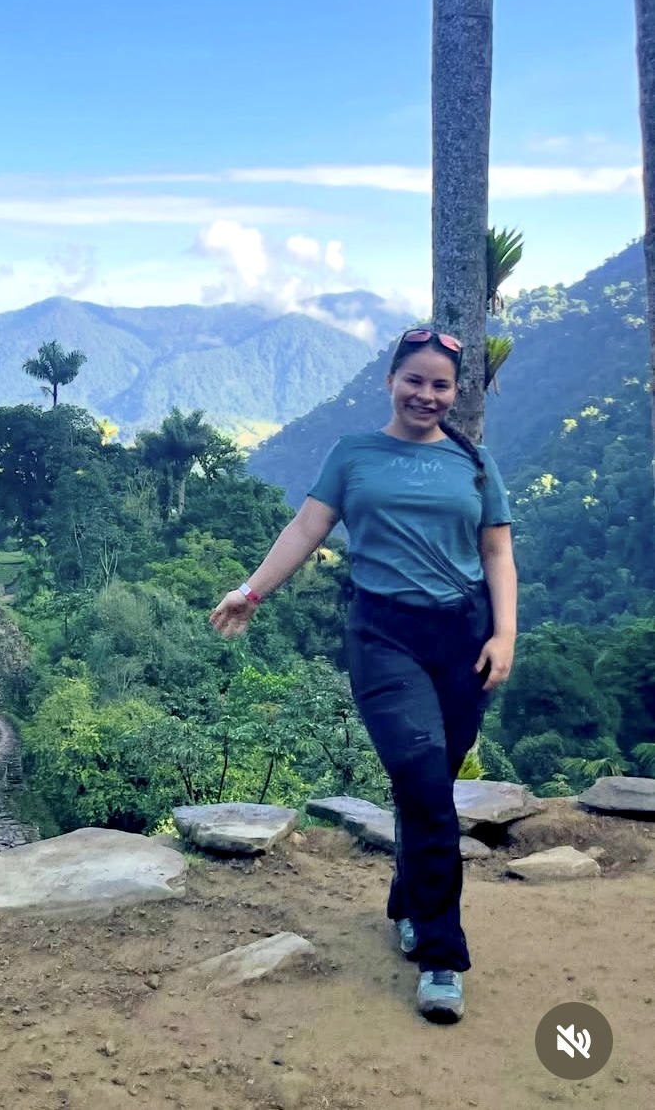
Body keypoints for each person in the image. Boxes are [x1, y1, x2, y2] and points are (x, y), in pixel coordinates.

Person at [209, 328, 517, 1025]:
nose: (426, 395)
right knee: (419, 774)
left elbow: (497, 550)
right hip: (383, 632)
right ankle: (442, 955)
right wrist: (251, 591)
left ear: (455, 392)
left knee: (430, 780)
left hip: (462, 634)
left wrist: (504, 633)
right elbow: (305, 527)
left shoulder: (475, 462)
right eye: (415, 380)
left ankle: (409, 899)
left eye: (441, 385)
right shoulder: (354, 454)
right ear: (390, 379)